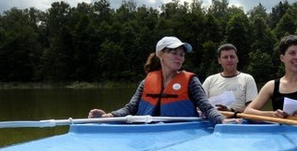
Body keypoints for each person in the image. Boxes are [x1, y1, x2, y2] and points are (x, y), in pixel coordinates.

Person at [88, 36, 224, 124]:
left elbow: (207, 108)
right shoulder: (146, 82)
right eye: (174, 53)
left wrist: (222, 120)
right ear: (160, 55)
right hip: (148, 132)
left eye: (182, 54)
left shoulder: (191, 82)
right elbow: (131, 108)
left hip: (180, 132)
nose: (179, 57)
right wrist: (111, 116)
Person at [202, 43, 258, 112]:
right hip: (213, 120)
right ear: (219, 60)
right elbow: (200, 104)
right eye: (225, 57)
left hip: (239, 121)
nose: (229, 60)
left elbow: (253, 108)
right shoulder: (209, 80)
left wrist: (231, 111)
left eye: (232, 57)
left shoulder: (247, 79)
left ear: (237, 59)